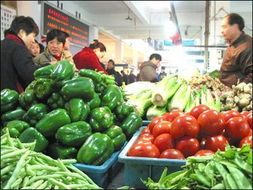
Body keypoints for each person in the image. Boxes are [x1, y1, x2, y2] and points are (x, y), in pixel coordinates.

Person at [1, 16, 44, 92]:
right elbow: (29, 74)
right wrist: (50, 66)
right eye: (33, 36)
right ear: (22, 33)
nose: (33, 40)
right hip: (8, 98)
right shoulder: (18, 47)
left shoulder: (3, 43)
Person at [219, 13, 252, 87]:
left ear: (235, 26)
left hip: (235, 95)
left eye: (224, 27)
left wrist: (236, 92)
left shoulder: (247, 46)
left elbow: (251, 75)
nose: (221, 31)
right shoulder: (233, 43)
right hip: (225, 90)